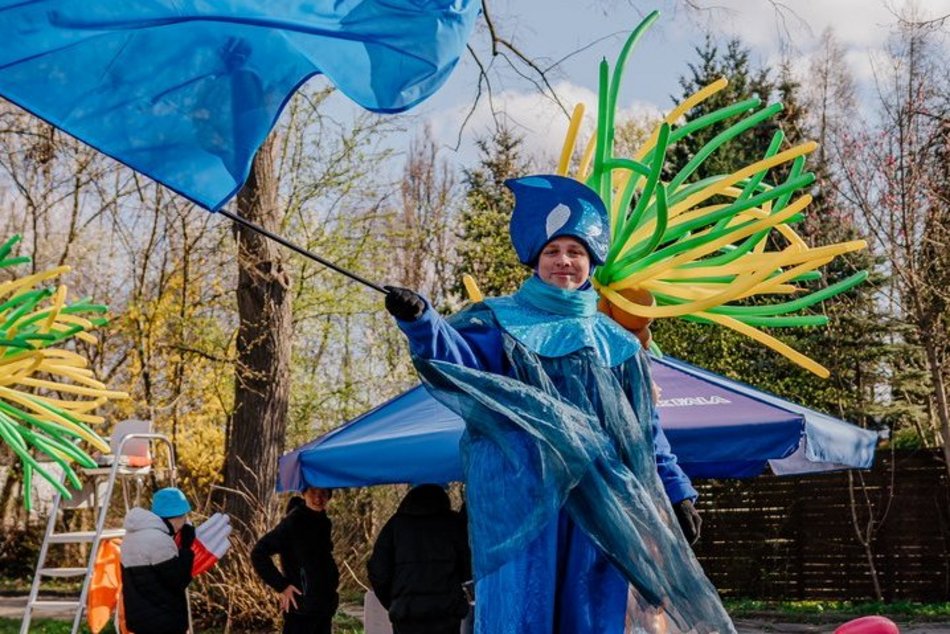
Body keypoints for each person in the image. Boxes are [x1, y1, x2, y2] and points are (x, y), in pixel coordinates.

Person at [383, 174, 733, 633]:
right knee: (522, 614)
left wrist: (677, 491)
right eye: (552, 251)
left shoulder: (619, 344)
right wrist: (422, 321)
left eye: (575, 252)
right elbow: (460, 361)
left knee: (590, 615)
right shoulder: (499, 321)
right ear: (535, 260)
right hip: (525, 503)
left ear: (591, 261)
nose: (564, 261)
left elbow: (645, 432)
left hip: (603, 507)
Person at [367, 484, 472, 634]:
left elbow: (378, 571)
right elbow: (468, 565)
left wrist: (394, 601)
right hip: (446, 611)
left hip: (406, 613)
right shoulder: (453, 524)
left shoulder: (395, 525)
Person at [251, 486, 340, 634]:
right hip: (301, 611)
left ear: (329, 496)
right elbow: (258, 553)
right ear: (304, 493)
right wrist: (282, 586)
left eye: (323, 494)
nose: (318, 499)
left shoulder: (324, 522)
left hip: (323, 609)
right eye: (313, 493)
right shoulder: (293, 523)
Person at [120, 486, 195, 634]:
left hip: (140, 619)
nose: (185, 522)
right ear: (176, 516)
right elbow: (179, 580)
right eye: (184, 517)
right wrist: (186, 548)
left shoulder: (131, 537)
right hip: (163, 622)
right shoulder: (160, 540)